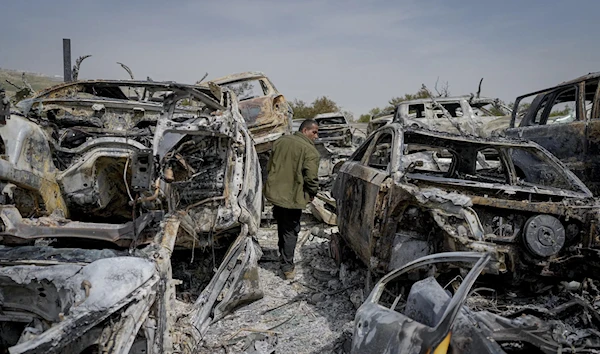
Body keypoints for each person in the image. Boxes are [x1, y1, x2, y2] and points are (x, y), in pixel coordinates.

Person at [265, 119, 320, 279]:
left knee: (282, 226)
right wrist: (312, 193)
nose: (316, 136)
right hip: (292, 196)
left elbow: (270, 166)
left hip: (276, 194)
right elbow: (311, 178)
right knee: (291, 230)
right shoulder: (310, 151)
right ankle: (287, 267)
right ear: (304, 131)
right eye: (314, 132)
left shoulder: (280, 141)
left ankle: (283, 258)